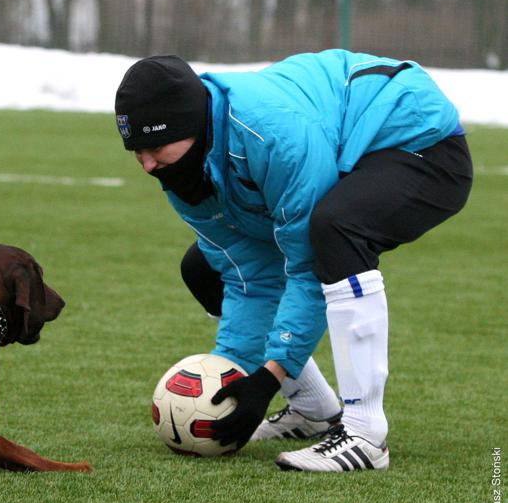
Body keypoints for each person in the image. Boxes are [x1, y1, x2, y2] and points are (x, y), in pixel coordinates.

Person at [115, 50, 472, 472]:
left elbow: (305, 269)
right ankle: (312, 410)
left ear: (191, 124)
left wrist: (270, 375)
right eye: (136, 151)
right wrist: (234, 377)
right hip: (344, 150)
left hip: (419, 140)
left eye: (155, 147)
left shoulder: (272, 135)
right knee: (202, 267)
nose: (147, 165)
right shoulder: (181, 172)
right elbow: (250, 277)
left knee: (335, 230)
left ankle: (365, 434)